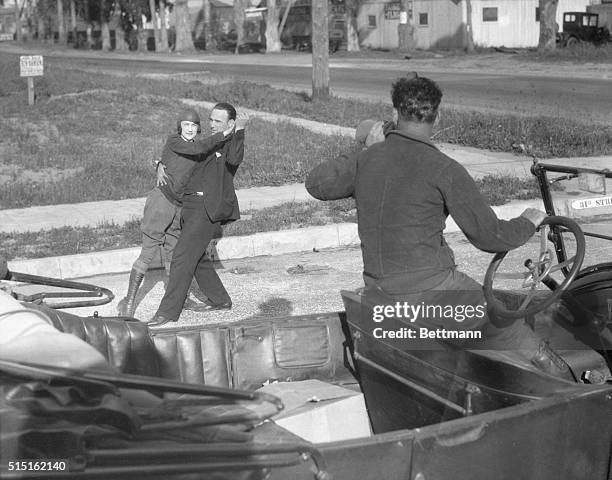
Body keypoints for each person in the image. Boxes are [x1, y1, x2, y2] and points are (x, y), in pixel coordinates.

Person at [305, 73, 573, 379]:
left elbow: (316, 183)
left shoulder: (367, 160)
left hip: (379, 292)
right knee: (510, 328)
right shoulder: (445, 168)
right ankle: (574, 390)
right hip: (433, 295)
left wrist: (367, 149)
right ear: (438, 115)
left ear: (394, 114)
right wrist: (527, 222)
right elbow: (491, 237)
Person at [118, 108, 234, 317]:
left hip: (179, 206)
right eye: (186, 125)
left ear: (198, 128)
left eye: (193, 126)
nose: (189, 129)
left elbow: (201, 153)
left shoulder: (199, 150)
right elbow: (195, 148)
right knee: (149, 250)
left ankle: (181, 298)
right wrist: (160, 166)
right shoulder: (175, 140)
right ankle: (128, 302)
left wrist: (160, 164)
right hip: (161, 200)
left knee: (174, 252)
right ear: (179, 126)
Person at [148, 103, 248, 327]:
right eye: (211, 120)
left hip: (207, 208)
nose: (212, 124)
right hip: (189, 206)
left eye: (218, 121)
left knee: (182, 258)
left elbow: (234, 160)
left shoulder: (230, 142)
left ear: (230, 124)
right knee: (197, 258)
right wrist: (159, 164)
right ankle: (221, 300)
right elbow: (181, 154)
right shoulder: (204, 142)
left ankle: (167, 313)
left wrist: (239, 131)